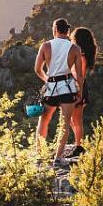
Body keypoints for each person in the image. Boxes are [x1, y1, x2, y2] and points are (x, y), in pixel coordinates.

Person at [34, 18, 84, 167]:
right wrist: (80, 91)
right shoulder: (75, 48)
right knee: (65, 123)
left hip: (51, 88)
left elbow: (37, 69)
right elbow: (79, 75)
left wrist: (47, 80)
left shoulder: (46, 46)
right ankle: (58, 157)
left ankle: (40, 154)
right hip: (68, 88)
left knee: (44, 121)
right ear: (67, 31)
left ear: (54, 29)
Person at [68, 27, 98, 157]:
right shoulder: (81, 54)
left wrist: (78, 93)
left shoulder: (82, 55)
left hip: (77, 87)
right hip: (75, 86)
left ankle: (79, 147)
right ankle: (78, 144)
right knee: (71, 119)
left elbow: (80, 75)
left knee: (76, 119)